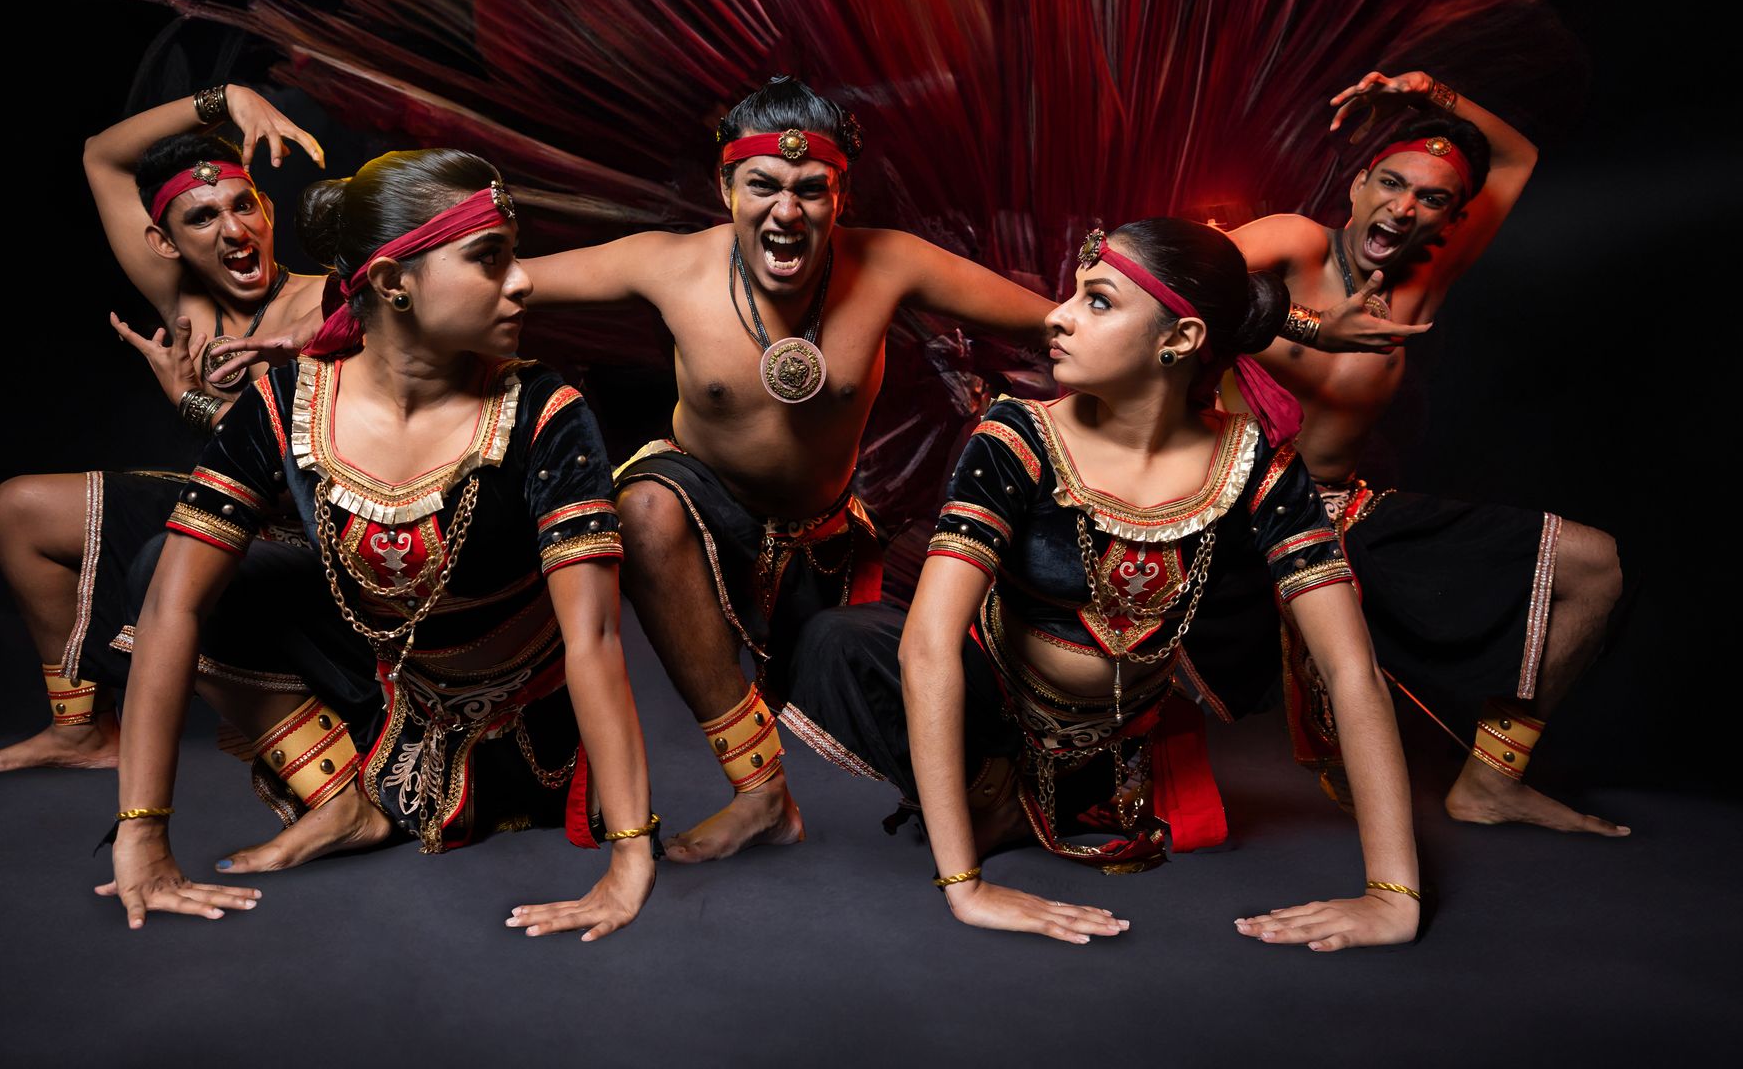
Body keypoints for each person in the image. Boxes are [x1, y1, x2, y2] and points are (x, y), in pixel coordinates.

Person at [791, 218, 1421, 951]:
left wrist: (1393, 895)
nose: (1056, 316)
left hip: (1126, 746)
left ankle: (1056, 803)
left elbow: (1350, 669)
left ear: (1179, 340)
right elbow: (929, 646)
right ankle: (985, 797)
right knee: (842, 640)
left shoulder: (1256, 468)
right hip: (994, 716)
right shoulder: (1016, 437)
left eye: (1097, 301)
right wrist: (965, 888)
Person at [100, 148, 656, 942]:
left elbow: (594, 636)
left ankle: (386, 799)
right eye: (489, 259)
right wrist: (143, 835)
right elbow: (171, 609)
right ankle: (341, 802)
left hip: (530, 736)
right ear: (394, 282)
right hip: (387, 701)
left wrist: (631, 857)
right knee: (165, 567)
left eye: (515, 253)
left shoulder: (544, 412)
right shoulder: (286, 402)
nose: (524, 280)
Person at [517, 76, 1057, 862]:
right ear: (725, 188)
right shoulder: (669, 265)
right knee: (642, 505)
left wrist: (1182, 314)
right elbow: (506, 280)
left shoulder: (889, 263)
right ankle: (760, 793)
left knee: (866, 688)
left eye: (812, 189)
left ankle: (998, 797)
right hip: (698, 506)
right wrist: (334, 294)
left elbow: (1054, 322)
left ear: (842, 197)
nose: (787, 210)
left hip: (825, 535)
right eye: (763, 185)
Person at [1232, 70, 1626, 836]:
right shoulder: (1293, 242)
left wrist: (1427, 92)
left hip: (1337, 514)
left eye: (1431, 198)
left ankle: (1490, 782)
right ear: (1356, 187)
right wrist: (1315, 328)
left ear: (1449, 220)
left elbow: (1515, 162)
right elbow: (1176, 286)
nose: (1403, 207)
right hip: (1231, 507)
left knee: (1597, 567)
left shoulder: (1424, 282)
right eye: (1390, 183)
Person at [0, 86, 328, 774]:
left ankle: (314, 756)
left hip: (314, 530)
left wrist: (192, 405)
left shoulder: (323, 302)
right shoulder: (182, 297)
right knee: (18, 510)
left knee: (166, 555)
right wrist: (227, 99)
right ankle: (82, 730)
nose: (233, 231)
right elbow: (102, 156)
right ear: (166, 242)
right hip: (230, 507)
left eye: (244, 205)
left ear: (267, 210)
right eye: (203, 217)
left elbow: (311, 459)